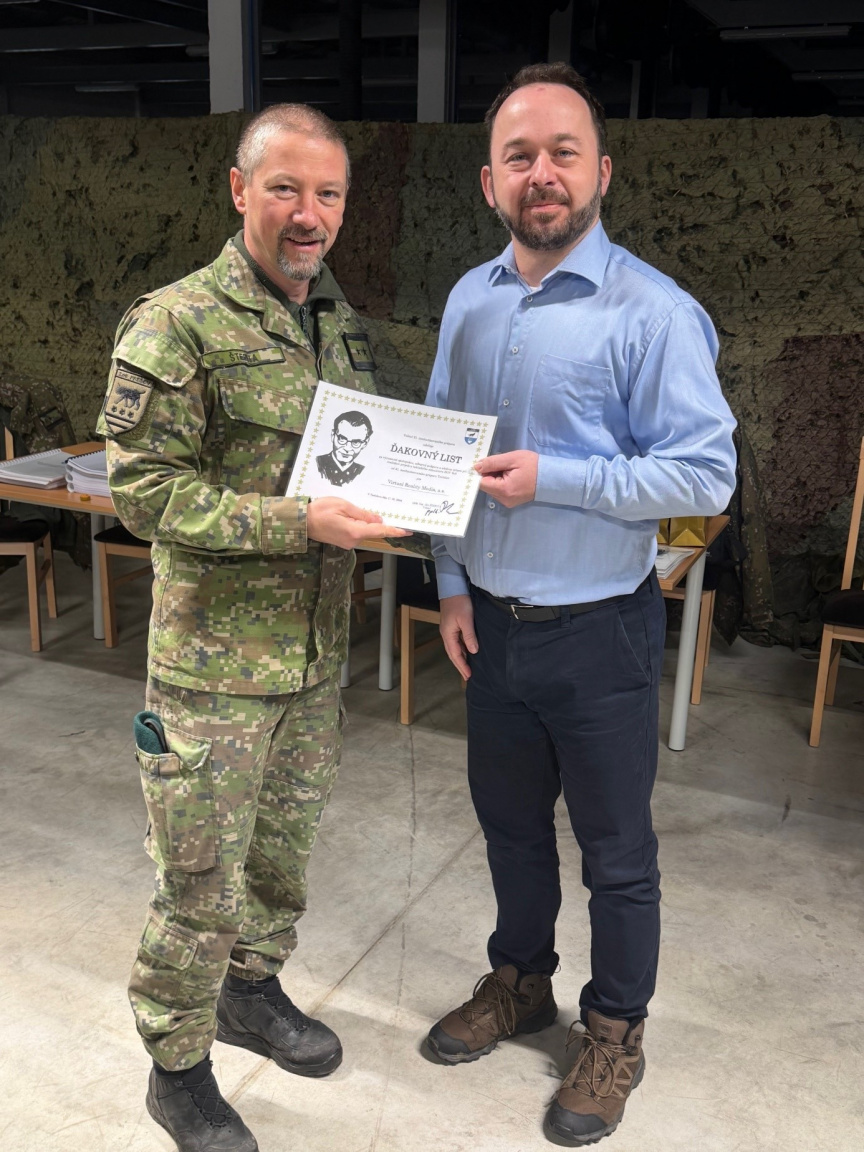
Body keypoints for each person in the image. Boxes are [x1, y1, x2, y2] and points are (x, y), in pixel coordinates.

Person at [424, 63, 736, 1146]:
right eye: (519, 156)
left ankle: (613, 1031)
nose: (542, 173)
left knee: (616, 855)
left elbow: (706, 477)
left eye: (564, 152)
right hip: (492, 628)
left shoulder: (656, 313)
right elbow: (441, 453)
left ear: (603, 171)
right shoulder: (470, 301)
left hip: (601, 632)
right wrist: (450, 582)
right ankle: (521, 984)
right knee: (510, 831)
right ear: (490, 182)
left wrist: (555, 478)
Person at [98, 104, 408, 1152]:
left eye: (328, 194)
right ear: (240, 192)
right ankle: (177, 1071)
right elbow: (143, 493)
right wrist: (297, 521)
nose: (307, 213)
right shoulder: (177, 323)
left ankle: (251, 992)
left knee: (281, 858)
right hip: (214, 672)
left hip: (312, 659)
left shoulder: (337, 322)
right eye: (285, 188)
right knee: (198, 884)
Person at [316, 410, 373, 486]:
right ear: (333, 435)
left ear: (365, 444)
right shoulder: (317, 463)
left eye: (356, 443)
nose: (347, 448)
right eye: (342, 439)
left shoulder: (364, 472)